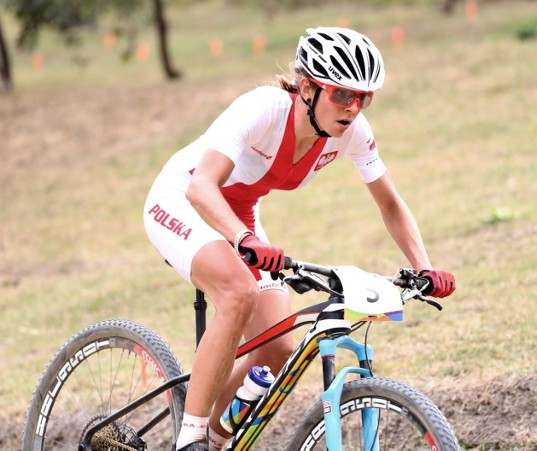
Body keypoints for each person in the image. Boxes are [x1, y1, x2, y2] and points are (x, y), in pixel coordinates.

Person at [143, 26, 456, 451]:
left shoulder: (353, 132)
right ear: (307, 88)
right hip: (183, 198)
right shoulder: (262, 110)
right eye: (342, 94)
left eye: (364, 97)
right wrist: (243, 240)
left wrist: (424, 267)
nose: (354, 107)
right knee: (238, 294)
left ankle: (216, 439)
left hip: (238, 212)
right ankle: (190, 438)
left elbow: (391, 204)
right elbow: (201, 188)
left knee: (278, 345)